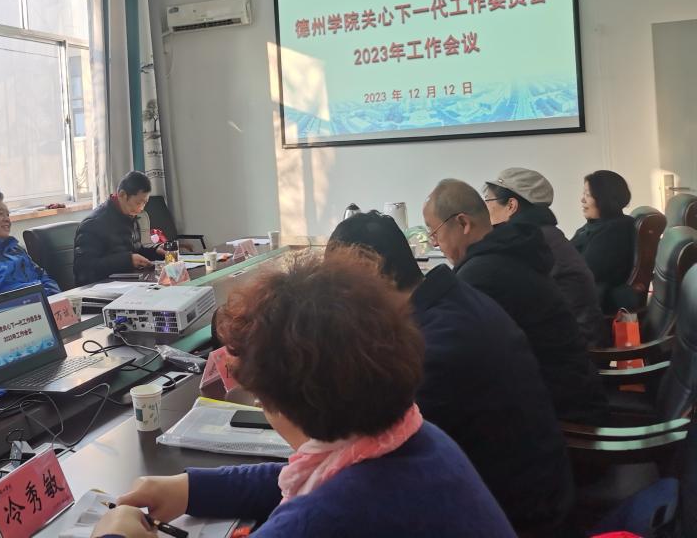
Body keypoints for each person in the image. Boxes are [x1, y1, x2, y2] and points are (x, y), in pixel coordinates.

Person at [91, 249, 516, 538]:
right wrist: (190, 488)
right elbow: (295, 474)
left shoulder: (327, 518)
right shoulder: (415, 438)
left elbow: (321, 506)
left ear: (281, 398)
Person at [326, 212, 574, 534]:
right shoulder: (451, 301)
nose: (337, 304)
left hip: (519, 520)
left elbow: (373, 452)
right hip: (530, 494)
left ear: (369, 268)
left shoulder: (439, 345)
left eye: (338, 286)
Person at [424, 178, 606, 423]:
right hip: (572, 388)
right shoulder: (507, 252)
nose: (435, 243)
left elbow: (460, 358)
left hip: (560, 411)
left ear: (463, 223)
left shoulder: (482, 274)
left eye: (434, 232)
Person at [483, 167, 605, 347]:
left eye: (488, 200)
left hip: (572, 345)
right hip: (572, 336)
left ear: (511, 206)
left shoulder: (528, 242)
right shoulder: (543, 234)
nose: (485, 208)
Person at [73, 171, 163, 286]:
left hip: (127, 283)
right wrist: (127, 260)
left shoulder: (129, 216)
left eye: (144, 203)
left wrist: (155, 251)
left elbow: (135, 251)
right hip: (100, 289)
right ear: (122, 195)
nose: (141, 208)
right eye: (138, 203)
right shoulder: (93, 224)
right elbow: (84, 270)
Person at [570, 170, 637, 314]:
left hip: (595, 306)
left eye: (588, 195)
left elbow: (584, 272)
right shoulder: (597, 224)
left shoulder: (615, 231)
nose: (582, 200)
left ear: (604, 198)